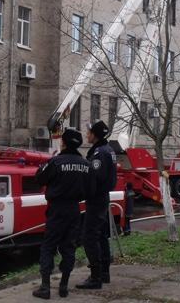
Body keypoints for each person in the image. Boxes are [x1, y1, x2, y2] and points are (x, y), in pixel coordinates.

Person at [32, 128, 90, 299]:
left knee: (48, 247)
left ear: (63, 143)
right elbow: (90, 188)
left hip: (57, 210)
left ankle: (45, 287)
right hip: (74, 210)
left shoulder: (56, 162)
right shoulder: (86, 164)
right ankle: (64, 286)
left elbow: (39, 178)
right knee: (68, 247)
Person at [76, 120, 117, 289]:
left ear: (96, 134)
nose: (87, 135)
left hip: (96, 199)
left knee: (89, 237)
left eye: (89, 132)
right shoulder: (108, 150)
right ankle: (104, 273)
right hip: (102, 198)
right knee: (100, 235)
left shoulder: (99, 153)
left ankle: (95, 277)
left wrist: (83, 193)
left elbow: (94, 179)